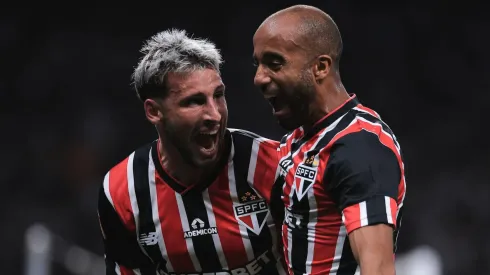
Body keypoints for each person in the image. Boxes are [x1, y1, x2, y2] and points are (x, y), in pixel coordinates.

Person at [97, 29, 286, 275]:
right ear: (154, 112)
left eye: (218, 95)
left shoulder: (271, 164)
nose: (215, 115)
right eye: (194, 101)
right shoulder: (121, 190)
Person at [252, 5, 406, 275]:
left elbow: (378, 269)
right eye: (258, 64)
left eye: (274, 63)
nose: (259, 78)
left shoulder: (359, 147)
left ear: (320, 67)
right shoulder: (302, 137)